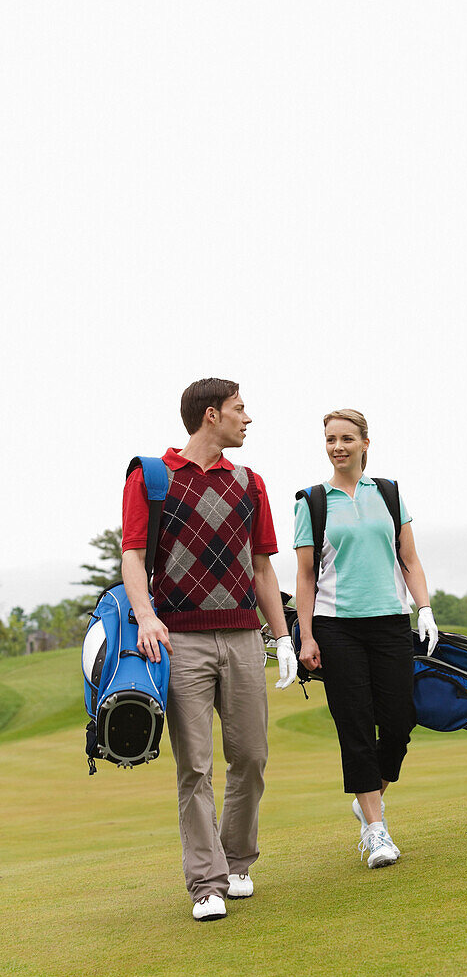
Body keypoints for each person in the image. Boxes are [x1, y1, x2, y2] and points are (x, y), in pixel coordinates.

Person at [121, 378, 298, 921]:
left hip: (245, 637)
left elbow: (263, 568)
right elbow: (132, 557)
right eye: (240, 410)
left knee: (251, 758)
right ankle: (206, 884)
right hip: (181, 641)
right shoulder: (150, 476)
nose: (249, 419)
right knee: (194, 767)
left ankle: (237, 861)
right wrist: (146, 616)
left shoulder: (251, 482)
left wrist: (284, 637)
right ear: (211, 415)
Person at [294, 408, 439, 868]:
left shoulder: (390, 495)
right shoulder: (312, 502)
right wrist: (307, 636)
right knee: (354, 725)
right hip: (338, 626)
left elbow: (410, 561)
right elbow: (304, 576)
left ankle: (370, 793)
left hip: (391, 622)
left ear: (364, 443)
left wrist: (426, 610)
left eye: (346, 439)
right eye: (331, 439)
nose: (338, 447)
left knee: (399, 720)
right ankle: (376, 831)